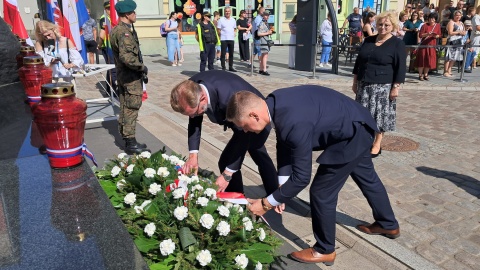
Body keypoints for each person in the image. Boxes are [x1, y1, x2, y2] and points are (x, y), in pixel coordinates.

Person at [225, 86, 400, 266]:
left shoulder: (293, 123)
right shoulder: (274, 102)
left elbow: (302, 178)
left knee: (321, 192)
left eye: (244, 126)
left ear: (254, 115)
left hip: (352, 134)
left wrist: (265, 203)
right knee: (367, 177)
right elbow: (284, 144)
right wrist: (282, 187)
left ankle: (325, 250)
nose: (245, 131)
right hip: (357, 122)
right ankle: (388, 224)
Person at [169, 70, 277, 196]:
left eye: (194, 113)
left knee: (247, 154)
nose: (193, 117)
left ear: (203, 98)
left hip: (255, 119)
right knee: (240, 158)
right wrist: (193, 156)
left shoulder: (228, 98)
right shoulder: (191, 88)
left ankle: (271, 196)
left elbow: (244, 137)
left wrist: (227, 175)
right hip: (236, 117)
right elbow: (194, 123)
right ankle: (240, 197)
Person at [353, 11, 406, 157]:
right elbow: (359, 62)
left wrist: (396, 87)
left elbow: (400, 68)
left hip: (383, 87)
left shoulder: (397, 44)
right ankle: (363, 140)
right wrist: (355, 81)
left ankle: (377, 142)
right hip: (364, 84)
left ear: (393, 26)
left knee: (379, 115)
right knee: (362, 114)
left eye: (386, 25)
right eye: (380, 24)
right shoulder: (369, 40)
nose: (382, 27)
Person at [110, 0, 149, 154]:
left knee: (125, 107)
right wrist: (141, 67)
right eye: (133, 12)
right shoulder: (123, 32)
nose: (135, 14)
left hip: (124, 76)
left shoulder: (118, 30)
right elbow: (127, 58)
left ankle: (128, 140)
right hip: (130, 77)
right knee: (131, 108)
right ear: (127, 14)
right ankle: (130, 142)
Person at [34, 20, 84, 86]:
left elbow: (79, 60)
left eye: (49, 34)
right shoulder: (40, 44)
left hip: (66, 78)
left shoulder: (66, 41)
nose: (48, 38)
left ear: (54, 30)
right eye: (44, 36)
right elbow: (39, 64)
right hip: (50, 79)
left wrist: (70, 65)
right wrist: (51, 63)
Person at [416, 13, 441, 81]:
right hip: (424, 45)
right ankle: (420, 75)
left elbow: (439, 34)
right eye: (430, 18)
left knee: (428, 60)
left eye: (433, 18)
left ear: (435, 19)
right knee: (422, 60)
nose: (431, 20)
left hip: (432, 45)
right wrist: (427, 34)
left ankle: (426, 74)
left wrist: (436, 36)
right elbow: (420, 35)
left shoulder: (437, 25)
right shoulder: (424, 25)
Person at [99, 1, 117, 93]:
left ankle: (109, 88)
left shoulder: (115, 18)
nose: (110, 10)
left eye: (111, 8)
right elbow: (102, 35)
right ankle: (113, 90)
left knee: (111, 68)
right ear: (105, 9)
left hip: (115, 47)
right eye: (108, 9)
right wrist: (99, 45)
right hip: (108, 48)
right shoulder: (104, 19)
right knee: (112, 69)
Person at [444, 10, 466, 77]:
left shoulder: (461, 23)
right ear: (454, 16)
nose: (458, 17)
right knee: (448, 57)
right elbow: (450, 32)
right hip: (451, 41)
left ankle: (449, 70)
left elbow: (464, 31)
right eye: (457, 15)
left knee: (454, 57)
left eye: (459, 15)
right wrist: (459, 32)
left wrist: (463, 33)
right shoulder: (451, 22)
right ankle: (445, 71)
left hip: (459, 41)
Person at [217, 7, 237, 72]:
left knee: (231, 54)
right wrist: (221, 36)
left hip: (231, 39)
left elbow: (234, 28)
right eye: (226, 11)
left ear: (230, 12)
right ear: (224, 12)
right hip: (224, 39)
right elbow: (218, 29)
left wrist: (234, 33)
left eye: (228, 11)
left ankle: (231, 67)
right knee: (223, 54)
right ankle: (223, 67)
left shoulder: (233, 20)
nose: (227, 12)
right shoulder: (221, 20)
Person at [257, 10, 273, 76]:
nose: (267, 17)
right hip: (263, 40)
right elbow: (259, 33)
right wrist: (268, 33)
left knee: (264, 55)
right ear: (263, 15)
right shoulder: (262, 23)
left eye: (268, 15)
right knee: (265, 55)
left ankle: (261, 69)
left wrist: (270, 32)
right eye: (266, 15)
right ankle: (264, 70)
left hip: (265, 39)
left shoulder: (266, 22)